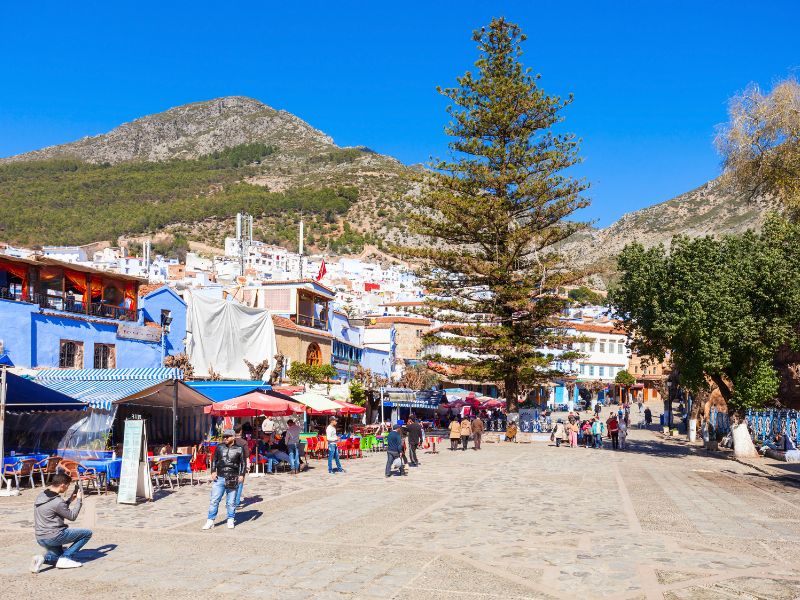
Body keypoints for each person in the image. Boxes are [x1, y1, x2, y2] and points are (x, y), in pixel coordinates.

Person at [31, 472, 92, 572]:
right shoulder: (58, 502)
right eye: (67, 486)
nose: (67, 488)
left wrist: (69, 500)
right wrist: (79, 501)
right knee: (87, 534)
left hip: (40, 537)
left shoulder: (41, 496)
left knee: (57, 556)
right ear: (62, 485)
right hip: (54, 536)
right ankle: (66, 558)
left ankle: (41, 559)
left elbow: (56, 508)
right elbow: (72, 516)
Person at [202, 429, 245, 530]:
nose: (225, 438)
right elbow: (214, 460)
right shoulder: (219, 447)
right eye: (224, 436)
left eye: (227, 436)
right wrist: (212, 471)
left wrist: (242, 474)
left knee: (231, 501)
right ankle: (210, 520)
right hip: (220, 477)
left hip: (233, 477)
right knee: (214, 500)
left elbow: (243, 463)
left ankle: (230, 519)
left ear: (233, 437)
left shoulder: (239, 449)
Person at [233, 425, 250, 508]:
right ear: (241, 431)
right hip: (240, 464)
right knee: (239, 484)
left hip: (231, 464)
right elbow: (247, 454)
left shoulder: (231, 441)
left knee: (231, 484)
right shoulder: (243, 442)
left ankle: (230, 501)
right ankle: (236, 503)